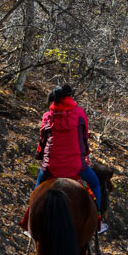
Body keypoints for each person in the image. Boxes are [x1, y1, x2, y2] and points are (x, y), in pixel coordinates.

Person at [30, 83, 106, 230]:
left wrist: (40, 156)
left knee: (38, 189)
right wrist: (85, 155)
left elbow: (43, 141)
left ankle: (29, 221)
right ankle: (98, 220)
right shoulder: (79, 114)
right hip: (76, 165)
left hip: (51, 167)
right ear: (69, 97)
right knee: (95, 183)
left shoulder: (47, 117)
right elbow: (84, 138)